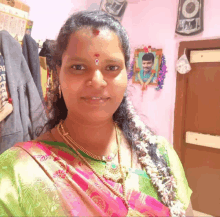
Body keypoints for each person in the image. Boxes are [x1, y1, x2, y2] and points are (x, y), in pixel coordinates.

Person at [0, 10, 194, 216]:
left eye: (111, 67)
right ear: (57, 73)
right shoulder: (17, 173)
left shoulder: (161, 157)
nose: (97, 81)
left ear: (126, 74)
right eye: (78, 66)